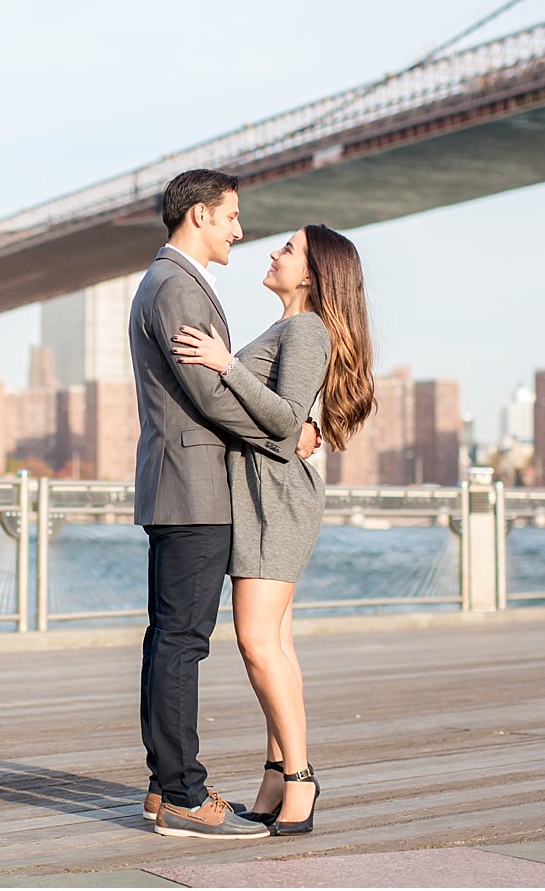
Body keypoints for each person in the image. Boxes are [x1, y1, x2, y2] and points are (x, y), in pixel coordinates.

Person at [129, 169, 319, 840]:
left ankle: (164, 788)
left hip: (185, 482)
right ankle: (184, 796)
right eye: (233, 216)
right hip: (195, 485)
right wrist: (286, 435)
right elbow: (210, 397)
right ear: (201, 216)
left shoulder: (170, 281)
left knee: (172, 640)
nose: (241, 230)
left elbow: (216, 386)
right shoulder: (177, 285)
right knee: (181, 642)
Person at [173, 223, 376, 836]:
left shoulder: (307, 329)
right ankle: (274, 776)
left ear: (312, 274)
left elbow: (287, 421)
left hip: (277, 498)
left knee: (258, 642)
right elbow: (294, 422)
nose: (272, 252)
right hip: (268, 494)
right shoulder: (292, 327)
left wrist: (224, 366)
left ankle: (301, 781)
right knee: (276, 645)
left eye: (287, 250)